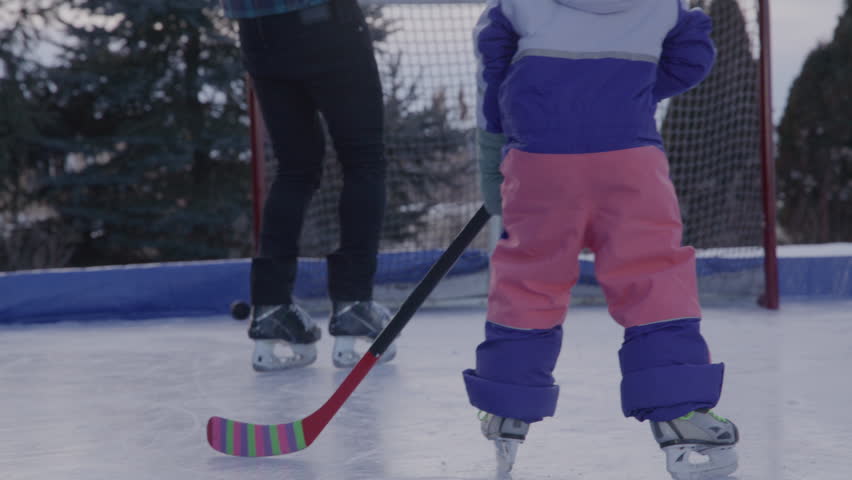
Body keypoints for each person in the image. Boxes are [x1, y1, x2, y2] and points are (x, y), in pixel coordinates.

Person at [464, 1, 739, 478]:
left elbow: (493, 67)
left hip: (540, 158)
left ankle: (508, 405)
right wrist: (630, 91)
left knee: (531, 276)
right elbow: (695, 53)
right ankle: (680, 413)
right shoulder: (664, 5)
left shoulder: (515, 5)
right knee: (653, 275)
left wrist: (497, 148)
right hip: (630, 155)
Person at [221, 0, 396, 371]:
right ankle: (354, 303)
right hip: (325, 22)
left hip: (259, 32)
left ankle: (271, 307)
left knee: (295, 167)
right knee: (363, 160)